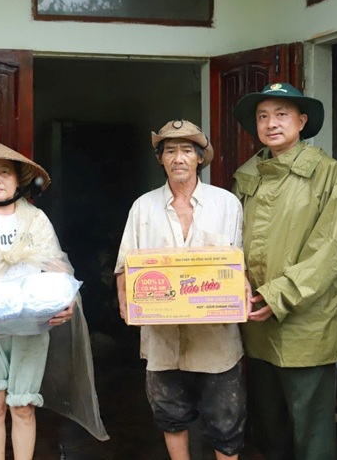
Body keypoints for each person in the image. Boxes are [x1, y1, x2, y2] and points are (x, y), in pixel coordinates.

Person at [0, 143, 108, 460]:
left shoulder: (35, 220)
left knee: (24, 406)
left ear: (18, 180)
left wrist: (67, 302)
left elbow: (58, 267)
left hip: (31, 328)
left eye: (5, 172)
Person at [232, 82, 337, 460]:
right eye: (263, 116)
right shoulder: (247, 175)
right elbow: (230, 241)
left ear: (302, 122)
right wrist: (236, 285)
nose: (271, 123)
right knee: (268, 425)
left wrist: (279, 295)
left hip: (305, 324)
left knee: (311, 429)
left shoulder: (328, 174)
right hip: (256, 322)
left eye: (281, 114)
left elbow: (331, 249)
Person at [115, 120, 248, 460]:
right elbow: (125, 266)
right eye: (170, 151)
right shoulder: (142, 207)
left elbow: (241, 264)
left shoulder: (227, 204)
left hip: (217, 340)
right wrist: (126, 303)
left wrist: (243, 290)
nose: (178, 158)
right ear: (160, 159)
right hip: (162, 339)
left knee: (226, 423)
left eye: (187, 150)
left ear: (200, 158)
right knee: (170, 415)